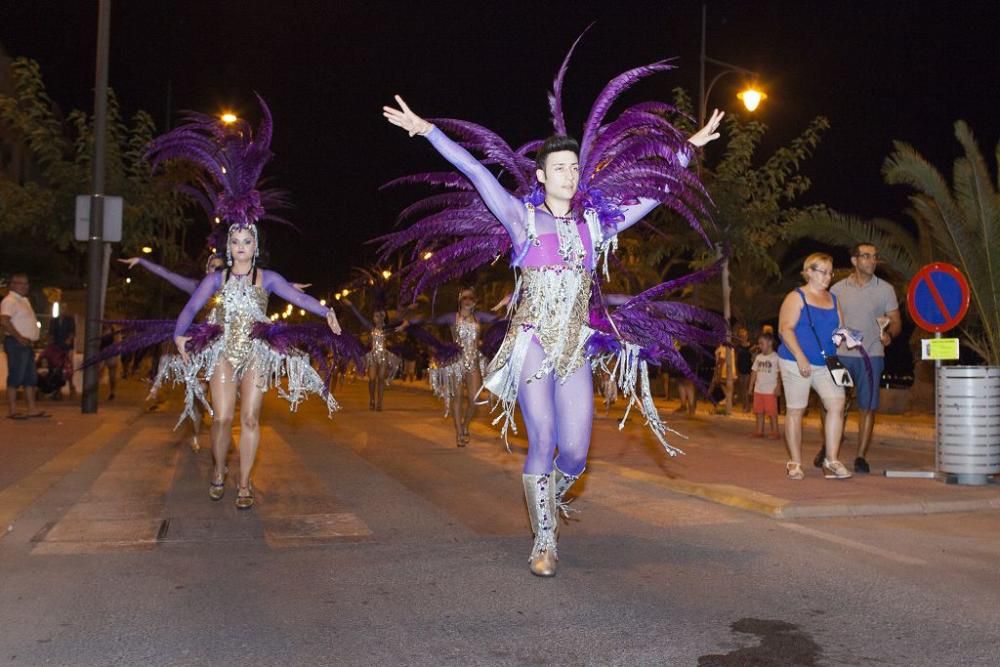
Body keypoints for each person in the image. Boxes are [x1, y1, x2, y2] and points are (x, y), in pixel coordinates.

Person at [383, 48, 723, 575]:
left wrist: (685, 151)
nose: (568, 174)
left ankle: (551, 497)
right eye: (558, 168)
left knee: (577, 454)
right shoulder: (521, 219)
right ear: (542, 177)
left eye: (573, 168)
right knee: (541, 438)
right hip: (531, 343)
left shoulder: (594, 226)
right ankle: (544, 539)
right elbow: (475, 169)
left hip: (575, 346)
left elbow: (651, 197)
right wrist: (427, 130)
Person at [145, 96, 346, 510]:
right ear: (228, 245)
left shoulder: (267, 278)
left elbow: (299, 296)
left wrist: (326, 310)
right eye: (234, 241)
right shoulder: (215, 278)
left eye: (247, 240)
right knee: (222, 418)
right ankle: (219, 469)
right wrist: (181, 336)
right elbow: (187, 310)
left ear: (256, 245)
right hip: (221, 349)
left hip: (255, 350)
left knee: (251, 418)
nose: (240, 246)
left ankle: (244, 483)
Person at [822, 243, 902, 474]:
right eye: (866, 256)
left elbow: (895, 321)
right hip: (841, 356)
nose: (872, 260)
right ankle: (828, 448)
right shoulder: (837, 289)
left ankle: (860, 457)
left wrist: (889, 334)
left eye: (875, 257)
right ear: (855, 261)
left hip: (872, 355)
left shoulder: (885, 289)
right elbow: (827, 320)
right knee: (831, 405)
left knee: (867, 407)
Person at [777, 253, 851, 481]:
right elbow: (785, 329)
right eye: (823, 272)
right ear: (809, 271)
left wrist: (847, 338)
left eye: (831, 272)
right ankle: (794, 463)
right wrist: (800, 357)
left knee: (837, 404)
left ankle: (831, 459)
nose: (828, 276)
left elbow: (839, 329)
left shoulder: (834, 300)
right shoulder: (796, 297)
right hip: (795, 361)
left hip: (826, 363)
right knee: (796, 409)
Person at [342, 298, 402, 412]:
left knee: (381, 379)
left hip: (384, 356)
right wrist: (351, 305)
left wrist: (407, 314)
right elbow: (360, 317)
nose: (377, 319)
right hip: (372, 356)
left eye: (379, 316)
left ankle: (379, 402)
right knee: (372, 379)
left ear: (383, 317)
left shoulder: (387, 329)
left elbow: (401, 323)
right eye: (375, 316)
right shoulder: (371, 327)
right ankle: (372, 400)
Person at [2, 273, 46, 419]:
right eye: (21, 283)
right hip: (16, 343)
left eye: (26, 284)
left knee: (30, 377)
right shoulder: (10, 301)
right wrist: (19, 337)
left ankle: (32, 409)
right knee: (16, 375)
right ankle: (12, 410)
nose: (25, 286)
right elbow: (4, 320)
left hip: (26, 344)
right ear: (13, 284)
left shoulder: (24, 300)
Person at [749, 331, 781, 439]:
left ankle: (775, 432)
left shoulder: (776, 358)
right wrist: (751, 387)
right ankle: (759, 431)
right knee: (759, 412)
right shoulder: (758, 357)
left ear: (770, 343)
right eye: (759, 343)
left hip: (770, 390)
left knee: (772, 413)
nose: (760, 346)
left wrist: (778, 386)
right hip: (758, 389)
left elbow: (779, 373)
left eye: (762, 343)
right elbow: (754, 372)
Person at [734, 325, 753, 412]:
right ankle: (745, 405)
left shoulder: (751, 346)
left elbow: (754, 358)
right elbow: (736, 359)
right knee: (742, 388)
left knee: (747, 388)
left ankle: (747, 406)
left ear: (747, 336)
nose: (743, 338)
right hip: (741, 368)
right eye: (742, 336)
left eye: (745, 336)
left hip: (749, 369)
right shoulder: (738, 347)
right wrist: (736, 370)